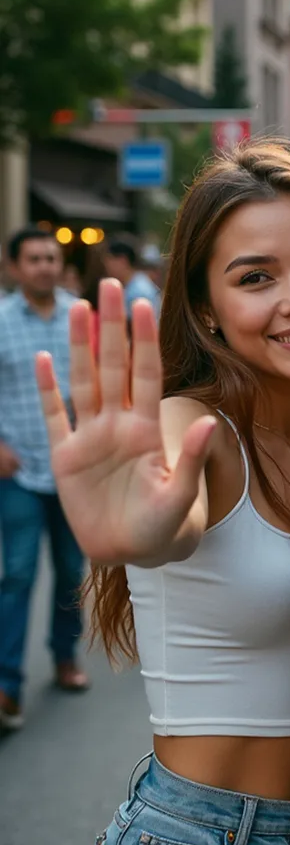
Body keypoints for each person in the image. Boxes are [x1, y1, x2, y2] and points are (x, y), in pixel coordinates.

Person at [35, 141, 290, 845]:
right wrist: (142, 528)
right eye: (256, 277)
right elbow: (170, 513)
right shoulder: (192, 429)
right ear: (206, 308)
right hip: (198, 828)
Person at [0, 227, 88, 732]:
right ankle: (7, 684)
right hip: (18, 472)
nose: (44, 267)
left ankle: (64, 657)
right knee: (17, 575)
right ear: (15, 267)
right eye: (33, 259)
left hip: (71, 469)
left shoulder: (80, 316)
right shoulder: (2, 320)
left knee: (71, 572)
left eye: (51, 258)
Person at [104, 234, 162, 316]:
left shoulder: (139, 291)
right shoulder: (134, 284)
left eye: (110, 259)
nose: (107, 265)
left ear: (122, 260)